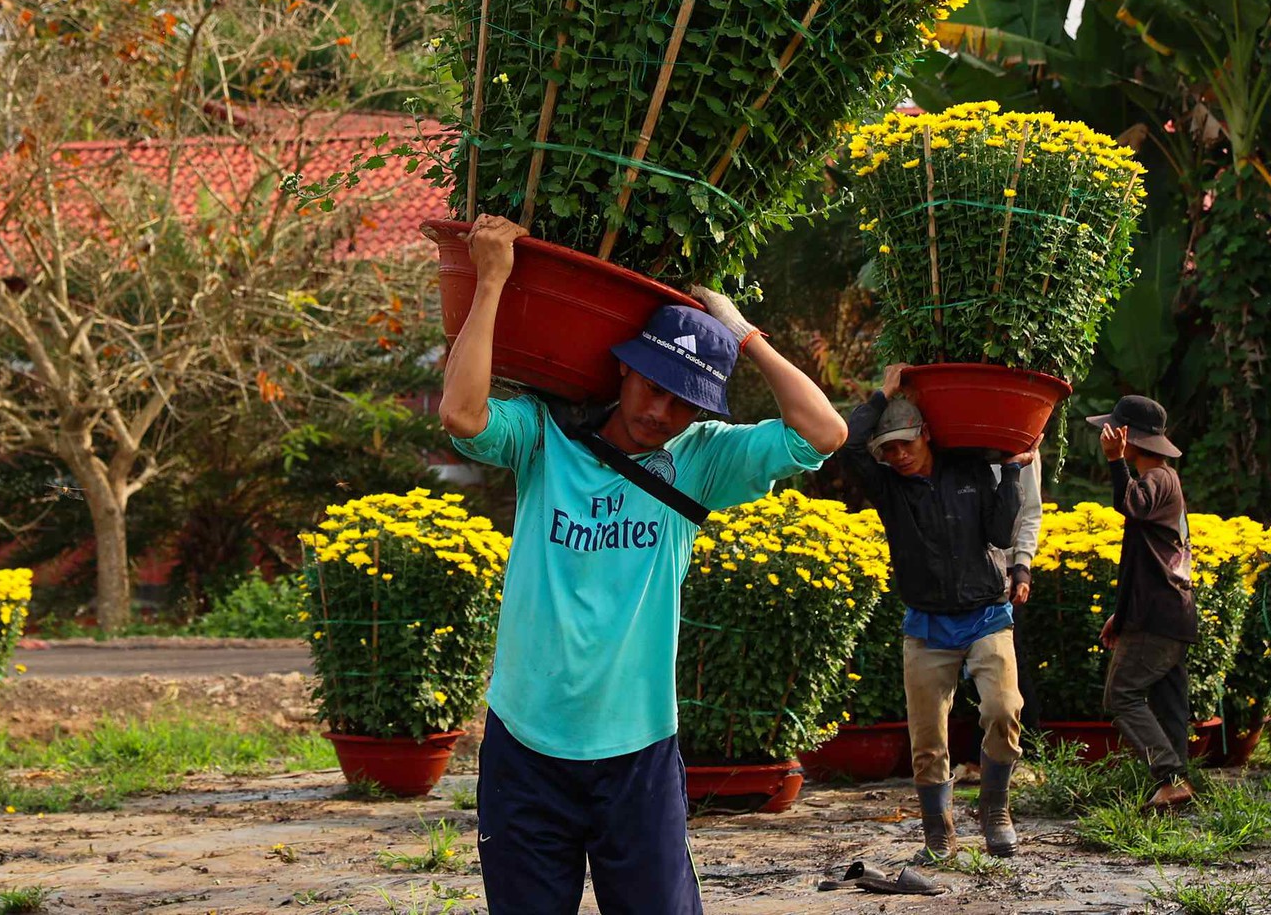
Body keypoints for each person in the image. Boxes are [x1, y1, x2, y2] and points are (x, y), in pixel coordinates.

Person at [440, 214, 849, 915]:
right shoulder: (547, 435)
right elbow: (461, 412)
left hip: (638, 748)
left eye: (684, 401)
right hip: (526, 744)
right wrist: (493, 281)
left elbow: (825, 431)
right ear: (624, 364)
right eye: (653, 385)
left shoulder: (703, 461)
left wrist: (742, 332)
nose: (661, 412)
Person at [841, 363, 1040, 860]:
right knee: (927, 740)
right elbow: (846, 444)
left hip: (986, 614)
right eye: (889, 448)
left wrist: (1013, 469)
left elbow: (999, 533)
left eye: (906, 443)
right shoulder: (889, 489)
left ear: (926, 435)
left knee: (1003, 710)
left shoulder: (969, 468)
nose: (899, 454)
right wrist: (882, 396)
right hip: (927, 624)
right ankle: (939, 829)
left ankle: (995, 808)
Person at [1088, 392, 1199, 810]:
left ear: (1129, 436)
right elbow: (1148, 560)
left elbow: (1128, 504)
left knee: (1122, 696)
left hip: (1160, 615)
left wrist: (1115, 461)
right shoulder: (1164, 481)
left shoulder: (1157, 479)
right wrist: (1122, 613)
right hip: (1167, 612)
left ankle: (1169, 777)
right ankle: (1178, 785)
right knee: (1168, 701)